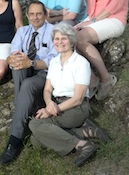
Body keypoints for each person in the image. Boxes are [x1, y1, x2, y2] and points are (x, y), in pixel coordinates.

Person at [29, 23, 110, 167]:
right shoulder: (53, 62)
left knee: (35, 124)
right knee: (36, 141)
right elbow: (47, 90)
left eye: (63, 39)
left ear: (71, 40)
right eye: (56, 39)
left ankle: (82, 145)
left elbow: (78, 98)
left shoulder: (80, 63)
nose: (59, 42)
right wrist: (49, 103)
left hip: (76, 108)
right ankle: (84, 131)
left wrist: (52, 110)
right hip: (57, 105)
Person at [0, 1, 58, 164]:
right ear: (27, 16)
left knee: (26, 84)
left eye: (39, 14)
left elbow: (54, 61)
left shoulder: (54, 32)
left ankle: (14, 140)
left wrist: (31, 63)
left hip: (44, 74)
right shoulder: (22, 31)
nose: (35, 17)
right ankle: (24, 113)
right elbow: (14, 53)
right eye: (31, 14)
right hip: (24, 69)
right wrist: (12, 59)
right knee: (17, 67)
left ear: (45, 15)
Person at [74, 0, 129, 100]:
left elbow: (116, 5)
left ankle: (107, 79)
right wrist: (87, 21)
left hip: (114, 18)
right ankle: (92, 79)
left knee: (80, 38)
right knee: (68, 36)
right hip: (94, 17)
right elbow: (92, 6)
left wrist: (92, 22)